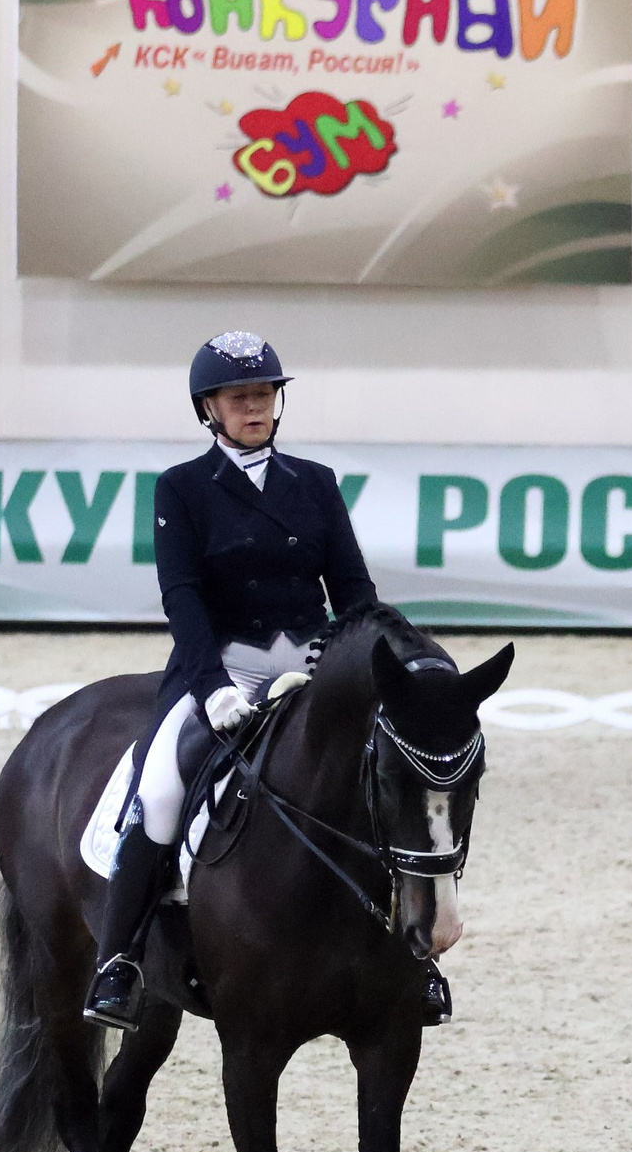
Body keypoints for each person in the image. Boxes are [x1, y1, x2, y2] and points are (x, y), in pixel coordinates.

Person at [82, 331, 449, 1030]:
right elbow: (181, 596)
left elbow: (352, 588)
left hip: (311, 670)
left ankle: (416, 959)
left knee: (384, 786)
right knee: (159, 789)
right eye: (238, 396)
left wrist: (377, 662)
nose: (254, 406)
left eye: (264, 394)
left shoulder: (313, 484)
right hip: (221, 669)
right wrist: (212, 684)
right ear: (209, 410)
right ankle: (119, 962)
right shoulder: (182, 489)